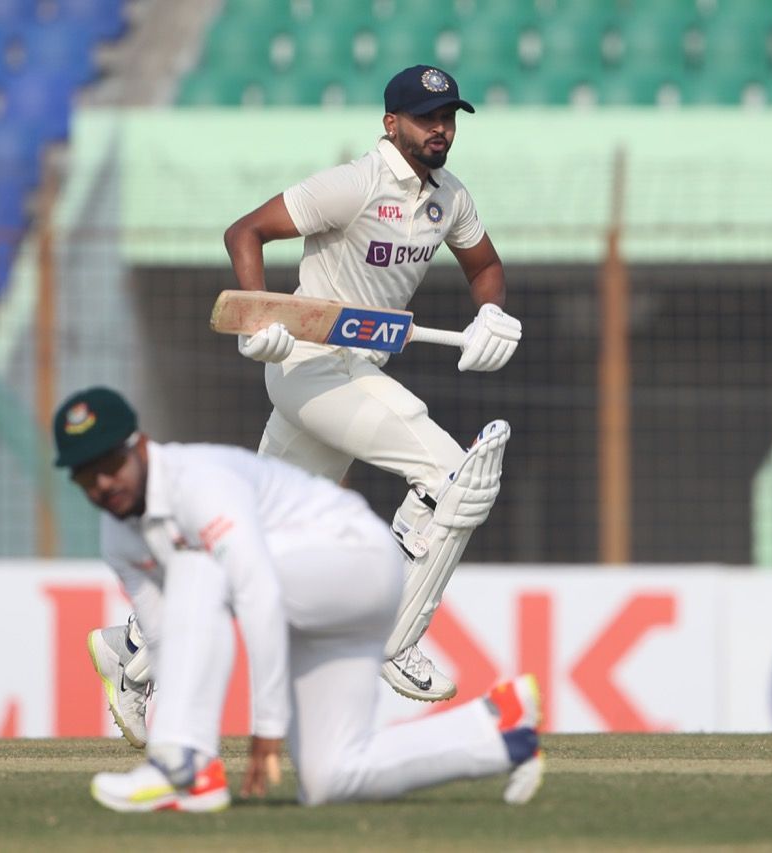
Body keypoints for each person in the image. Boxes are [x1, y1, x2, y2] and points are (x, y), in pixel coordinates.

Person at [53, 386, 543, 812]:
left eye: (111, 465)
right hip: (315, 602)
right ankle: (503, 730)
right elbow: (169, 637)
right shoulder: (118, 537)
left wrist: (267, 725)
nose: (102, 484)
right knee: (331, 776)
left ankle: (185, 767)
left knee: (200, 567)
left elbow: (258, 594)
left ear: (140, 446)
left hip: (356, 560)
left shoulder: (197, 485)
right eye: (84, 476)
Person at [221, 64, 522, 703]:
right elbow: (245, 231)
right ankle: (391, 633)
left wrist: (490, 312)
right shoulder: (355, 185)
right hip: (309, 367)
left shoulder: (450, 198)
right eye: (425, 118)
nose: (440, 130)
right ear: (392, 123)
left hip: (355, 372)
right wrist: (258, 317)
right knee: (454, 478)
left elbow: (486, 265)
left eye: (448, 118)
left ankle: (133, 650)